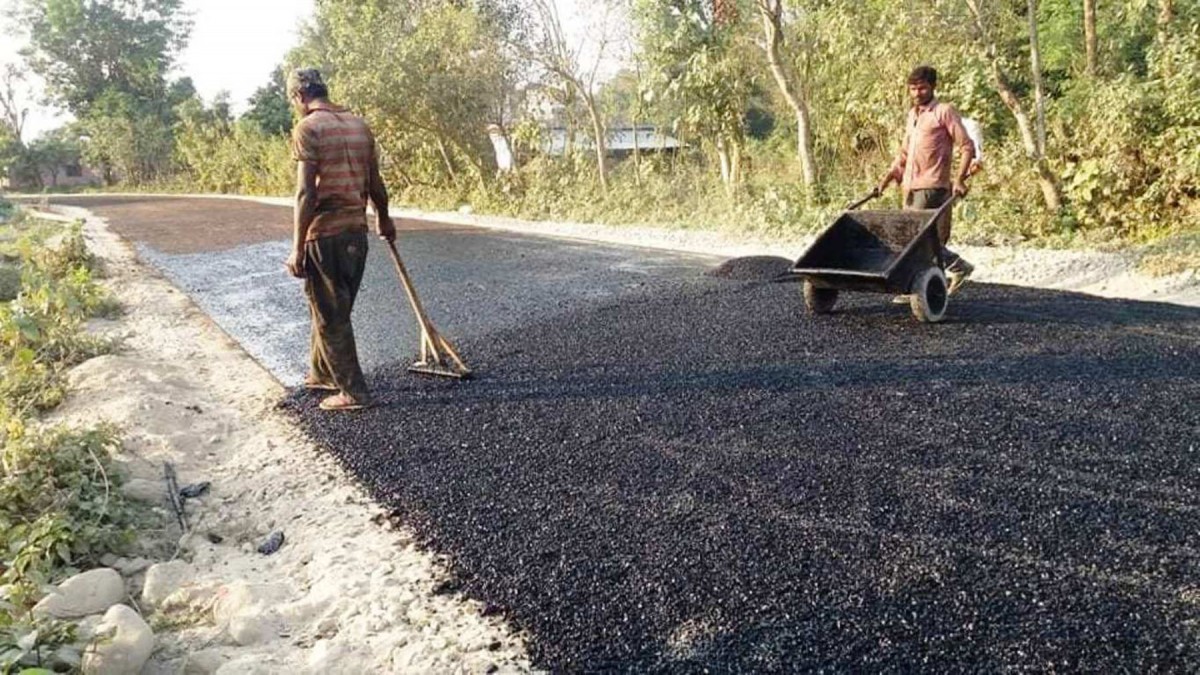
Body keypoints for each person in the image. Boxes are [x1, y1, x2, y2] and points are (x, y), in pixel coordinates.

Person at [285, 68, 396, 411]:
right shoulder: (358, 125)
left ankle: (353, 392)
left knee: (332, 316)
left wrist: (297, 247)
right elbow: (375, 181)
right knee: (331, 305)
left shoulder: (308, 128)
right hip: (355, 234)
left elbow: (306, 193)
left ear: (299, 97)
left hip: (327, 234)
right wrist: (384, 218)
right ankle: (322, 372)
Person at [876, 65, 976, 295]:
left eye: (922, 88)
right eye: (912, 89)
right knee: (913, 240)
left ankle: (957, 267)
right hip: (909, 187)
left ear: (933, 87)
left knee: (916, 240)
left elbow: (966, 147)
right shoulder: (913, 115)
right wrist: (888, 177)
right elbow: (904, 153)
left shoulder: (944, 111)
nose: (917, 93)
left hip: (932, 187)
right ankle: (923, 289)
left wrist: (959, 179)